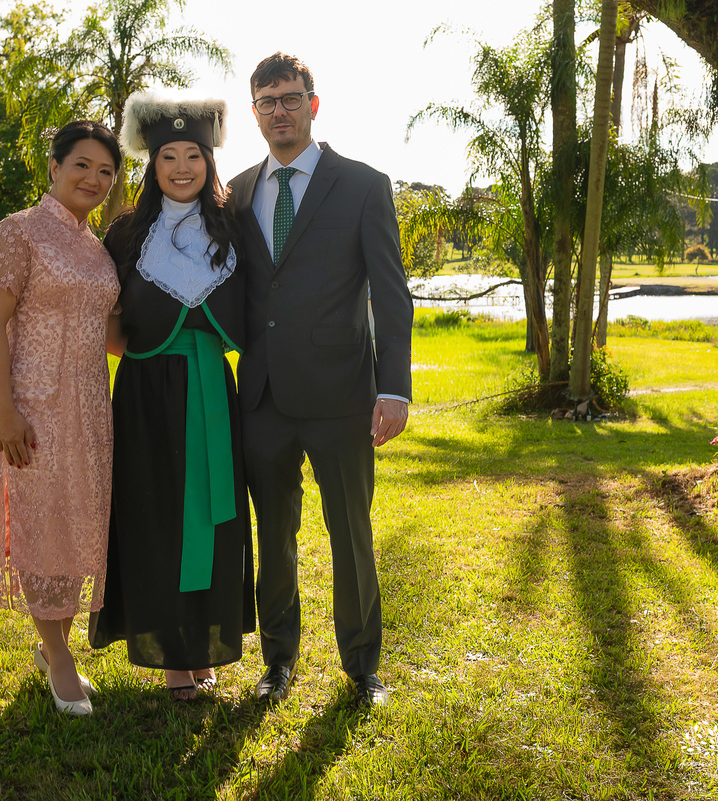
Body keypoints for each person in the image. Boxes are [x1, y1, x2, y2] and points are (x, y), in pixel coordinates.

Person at [227, 53, 415, 708]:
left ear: (314, 103)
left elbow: (391, 296)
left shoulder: (363, 185)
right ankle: (277, 661)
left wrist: (393, 387)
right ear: (254, 113)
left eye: (289, 97)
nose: (279, 109)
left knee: (351, 534)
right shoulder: (238, 190)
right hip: (263, 397)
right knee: (271, 535)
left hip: (341, 395)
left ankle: (362, 666)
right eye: (266, 100)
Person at [89, 94, 255, 701]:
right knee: (155, 518)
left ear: (209, 163)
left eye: (193, 155)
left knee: (214, 521)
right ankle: (172, 659)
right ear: (152, 165)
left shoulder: (233, 228)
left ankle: (201, 644)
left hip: (213, 389)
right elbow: (106, 324)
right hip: (145, 397)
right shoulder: (126, 234)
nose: (181, 167)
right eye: (168, 156)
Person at [0, 120, 123, 717]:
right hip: (33, 406)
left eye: (106, 171)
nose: (93, 178)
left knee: (75, 521)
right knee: (40, 525)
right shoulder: (18, 233)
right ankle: (57, 655)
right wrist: (7, 413)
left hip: (91, 406)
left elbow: (113, 336)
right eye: (82, 165)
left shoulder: (97, 246)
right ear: (55, 168)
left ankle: (54, 645)